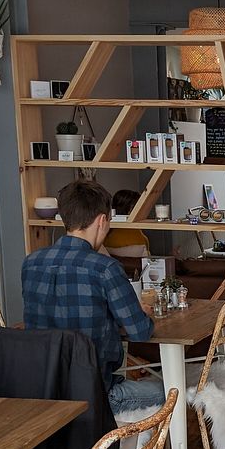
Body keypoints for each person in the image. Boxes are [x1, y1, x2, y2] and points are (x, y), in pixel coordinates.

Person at [21, 180, 162, 420]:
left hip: (43, 394)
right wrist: (141, 313)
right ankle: (138, 445)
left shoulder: (31, 262)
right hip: (96, 394)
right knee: (173, 389)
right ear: (102, 220)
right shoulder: (105, 268)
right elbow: (140, 332)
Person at [103, 188, 150, 257]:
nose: (141, 210)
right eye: (138, 206)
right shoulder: (132, 233)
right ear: (129, 209)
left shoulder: (107, 231)